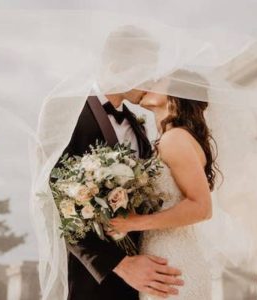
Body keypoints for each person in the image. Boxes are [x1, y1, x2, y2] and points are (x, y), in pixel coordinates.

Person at [52, 26, 184, 300]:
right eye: (145, 72)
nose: (150, 82)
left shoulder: (140, 129)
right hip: (92, 280)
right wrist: (120, 265)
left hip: (145, 280)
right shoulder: (64, 111)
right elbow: (54, 201)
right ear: (117, 66)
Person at [109, 84, 216, 300]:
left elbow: (201, 207)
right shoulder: (169, 138)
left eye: (158, 81)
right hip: (161, 256)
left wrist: (133, 222)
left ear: (177, 94)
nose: (147, 83)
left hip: (173, 260)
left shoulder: (175, 138)